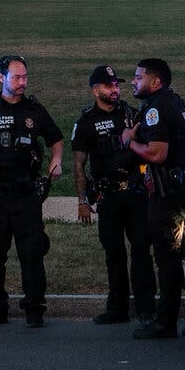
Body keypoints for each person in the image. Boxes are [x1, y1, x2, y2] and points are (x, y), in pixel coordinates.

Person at [0, 53, 62, 328]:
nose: (22, 83)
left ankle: (34, 309)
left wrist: (56, 161)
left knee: (32, 253)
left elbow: (55, 138)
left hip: (26, 194)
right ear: (1, 78)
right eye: (17, 77)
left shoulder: (34, 110)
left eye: (25, 77)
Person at [71, 64, 155, 328]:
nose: (115, 89)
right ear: (96, 90)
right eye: (109, 86)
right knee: (114, 254)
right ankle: (117, 309)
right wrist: (83, 201)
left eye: (117, 85)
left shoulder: (131, 113)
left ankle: (146, 309)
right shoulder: (86, 122)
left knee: (142, 251)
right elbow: (78, 165)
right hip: (108, 197)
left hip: (136, 193)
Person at [122, 57, 185, 340]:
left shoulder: (156, 108)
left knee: (168, 258)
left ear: (155, 82)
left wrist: (129, 141)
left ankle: (165, 322)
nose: (133, 80)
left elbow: (157, 154)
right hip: (182, 190)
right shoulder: (178, 102)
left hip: (167, 195)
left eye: (138, 76)